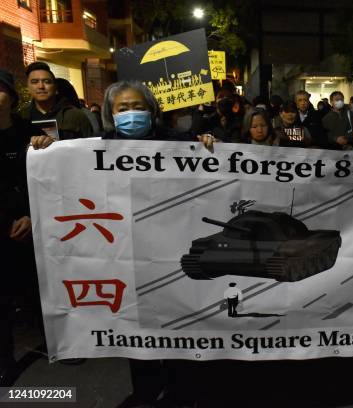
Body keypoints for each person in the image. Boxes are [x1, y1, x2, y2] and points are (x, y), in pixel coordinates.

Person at [99, 80, 211, 407]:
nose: (131, 114)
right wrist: (45, 147)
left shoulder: (178, 142)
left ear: (151, 111)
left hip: (173, 248)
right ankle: (146, 391)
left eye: (138, 107)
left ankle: (180, 390)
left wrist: (207, 143)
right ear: (110, 114)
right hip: (127, 252)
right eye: (123, 109)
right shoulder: (97, 148)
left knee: (177, 321)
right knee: (139, 323)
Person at [0, 69, 52, 386]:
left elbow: (46, 179)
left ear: (11, 96)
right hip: (2, 228)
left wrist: (34, 215)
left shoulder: (30, 132)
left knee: (40, 289)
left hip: (33, 225)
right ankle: (5, 359)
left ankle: (59, 342)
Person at [20, 62, 92, 139]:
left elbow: (89, 146)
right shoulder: (22, 117)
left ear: (56, 88)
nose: (41, 86)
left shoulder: (75, 115)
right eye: (35, 82)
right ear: (28, 87)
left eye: (47, 82)